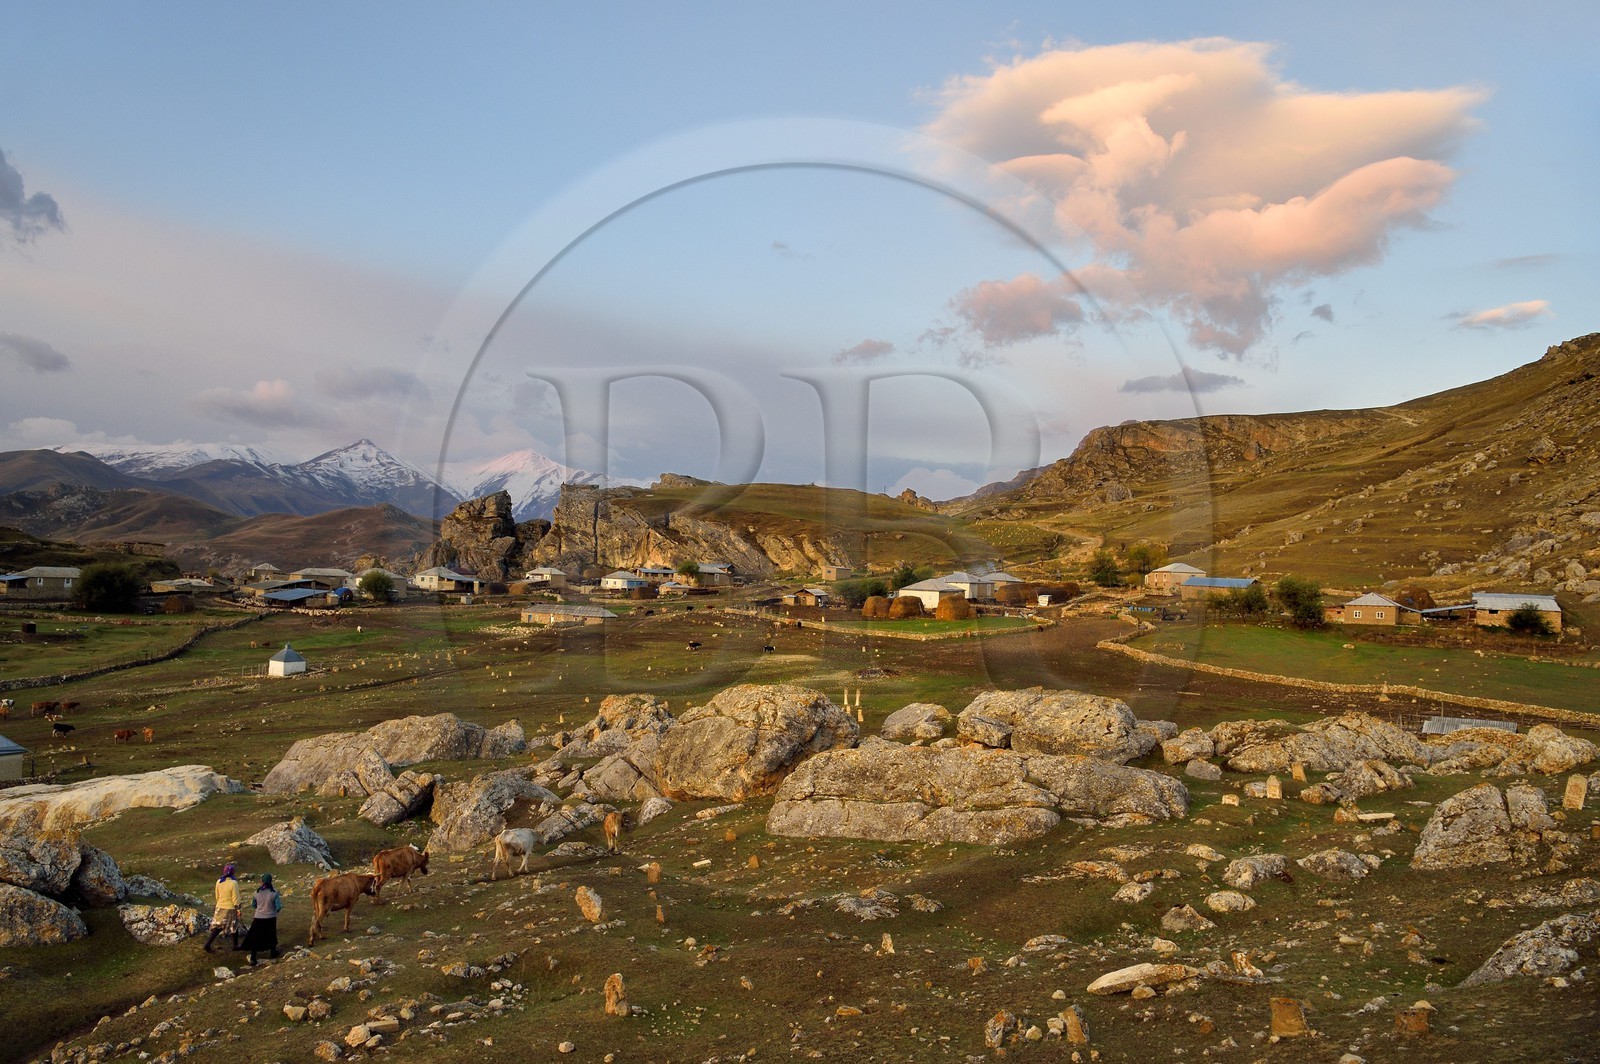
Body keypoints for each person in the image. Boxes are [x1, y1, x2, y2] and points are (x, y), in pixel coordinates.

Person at [239, 872, 282, 965]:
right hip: (270, 918)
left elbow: (253, 905)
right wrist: (273, 910)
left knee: (255, 937)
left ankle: (253, 958)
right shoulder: (274, 893)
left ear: (262, 882)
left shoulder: (256, 893)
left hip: (258, 918)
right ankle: (273, 952)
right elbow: (278, 907)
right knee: (271, 935)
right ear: (271, 881)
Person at [203, 863, 241, 952]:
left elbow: (217, 895)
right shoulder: (233, 883)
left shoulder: (219, 881)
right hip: (230, 908)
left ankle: (207, 944)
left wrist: (219, 903)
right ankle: (235, 945)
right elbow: (235, 898)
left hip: (220, 907)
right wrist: (238, 908)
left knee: (218, 926)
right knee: (233, 926)